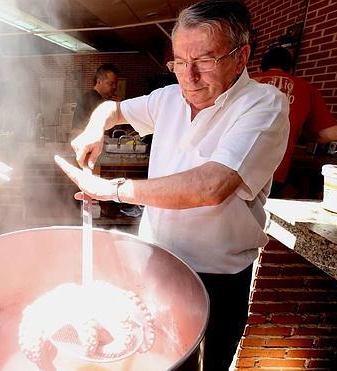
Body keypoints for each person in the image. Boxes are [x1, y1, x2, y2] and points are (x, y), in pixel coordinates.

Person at [54, 1, 290, 370]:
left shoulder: (263, 105)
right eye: (179, 61)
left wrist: (111, 189)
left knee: (207, 363)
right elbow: (112, 109)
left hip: (217, 279)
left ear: (241, 56)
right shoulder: (168, 99)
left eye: (204, 61)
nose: (189, 76)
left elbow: (211, 186)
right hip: (157, 265)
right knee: (153, 358)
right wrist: (94, 128)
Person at [251, 46, 337, 197]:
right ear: (290, 69)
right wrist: (304, 137)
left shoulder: (247, 83)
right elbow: (332, 134)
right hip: (276, 169)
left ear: (262, 67)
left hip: (231, 166)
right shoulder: (306, 89)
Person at [70, 63, 120, 136]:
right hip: (85, 142)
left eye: (116, 83)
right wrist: (118, 105)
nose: (114, 87)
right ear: (99, 81)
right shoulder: (94, 99)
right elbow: (111, 118)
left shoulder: (93, 97)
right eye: (111, 83)